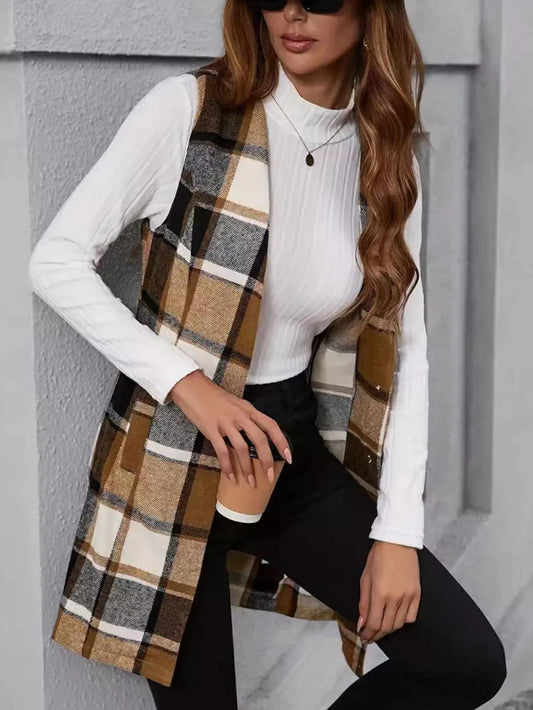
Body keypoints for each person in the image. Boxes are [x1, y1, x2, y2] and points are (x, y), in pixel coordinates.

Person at [28, 0, 507, 708]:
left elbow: (406, 351)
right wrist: (189, 384)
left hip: (285, 444)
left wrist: (397, 535)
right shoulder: (189, 111)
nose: (292, 12)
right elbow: (56, 261)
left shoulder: (384, 150)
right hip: (174, 450)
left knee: (464, 661)